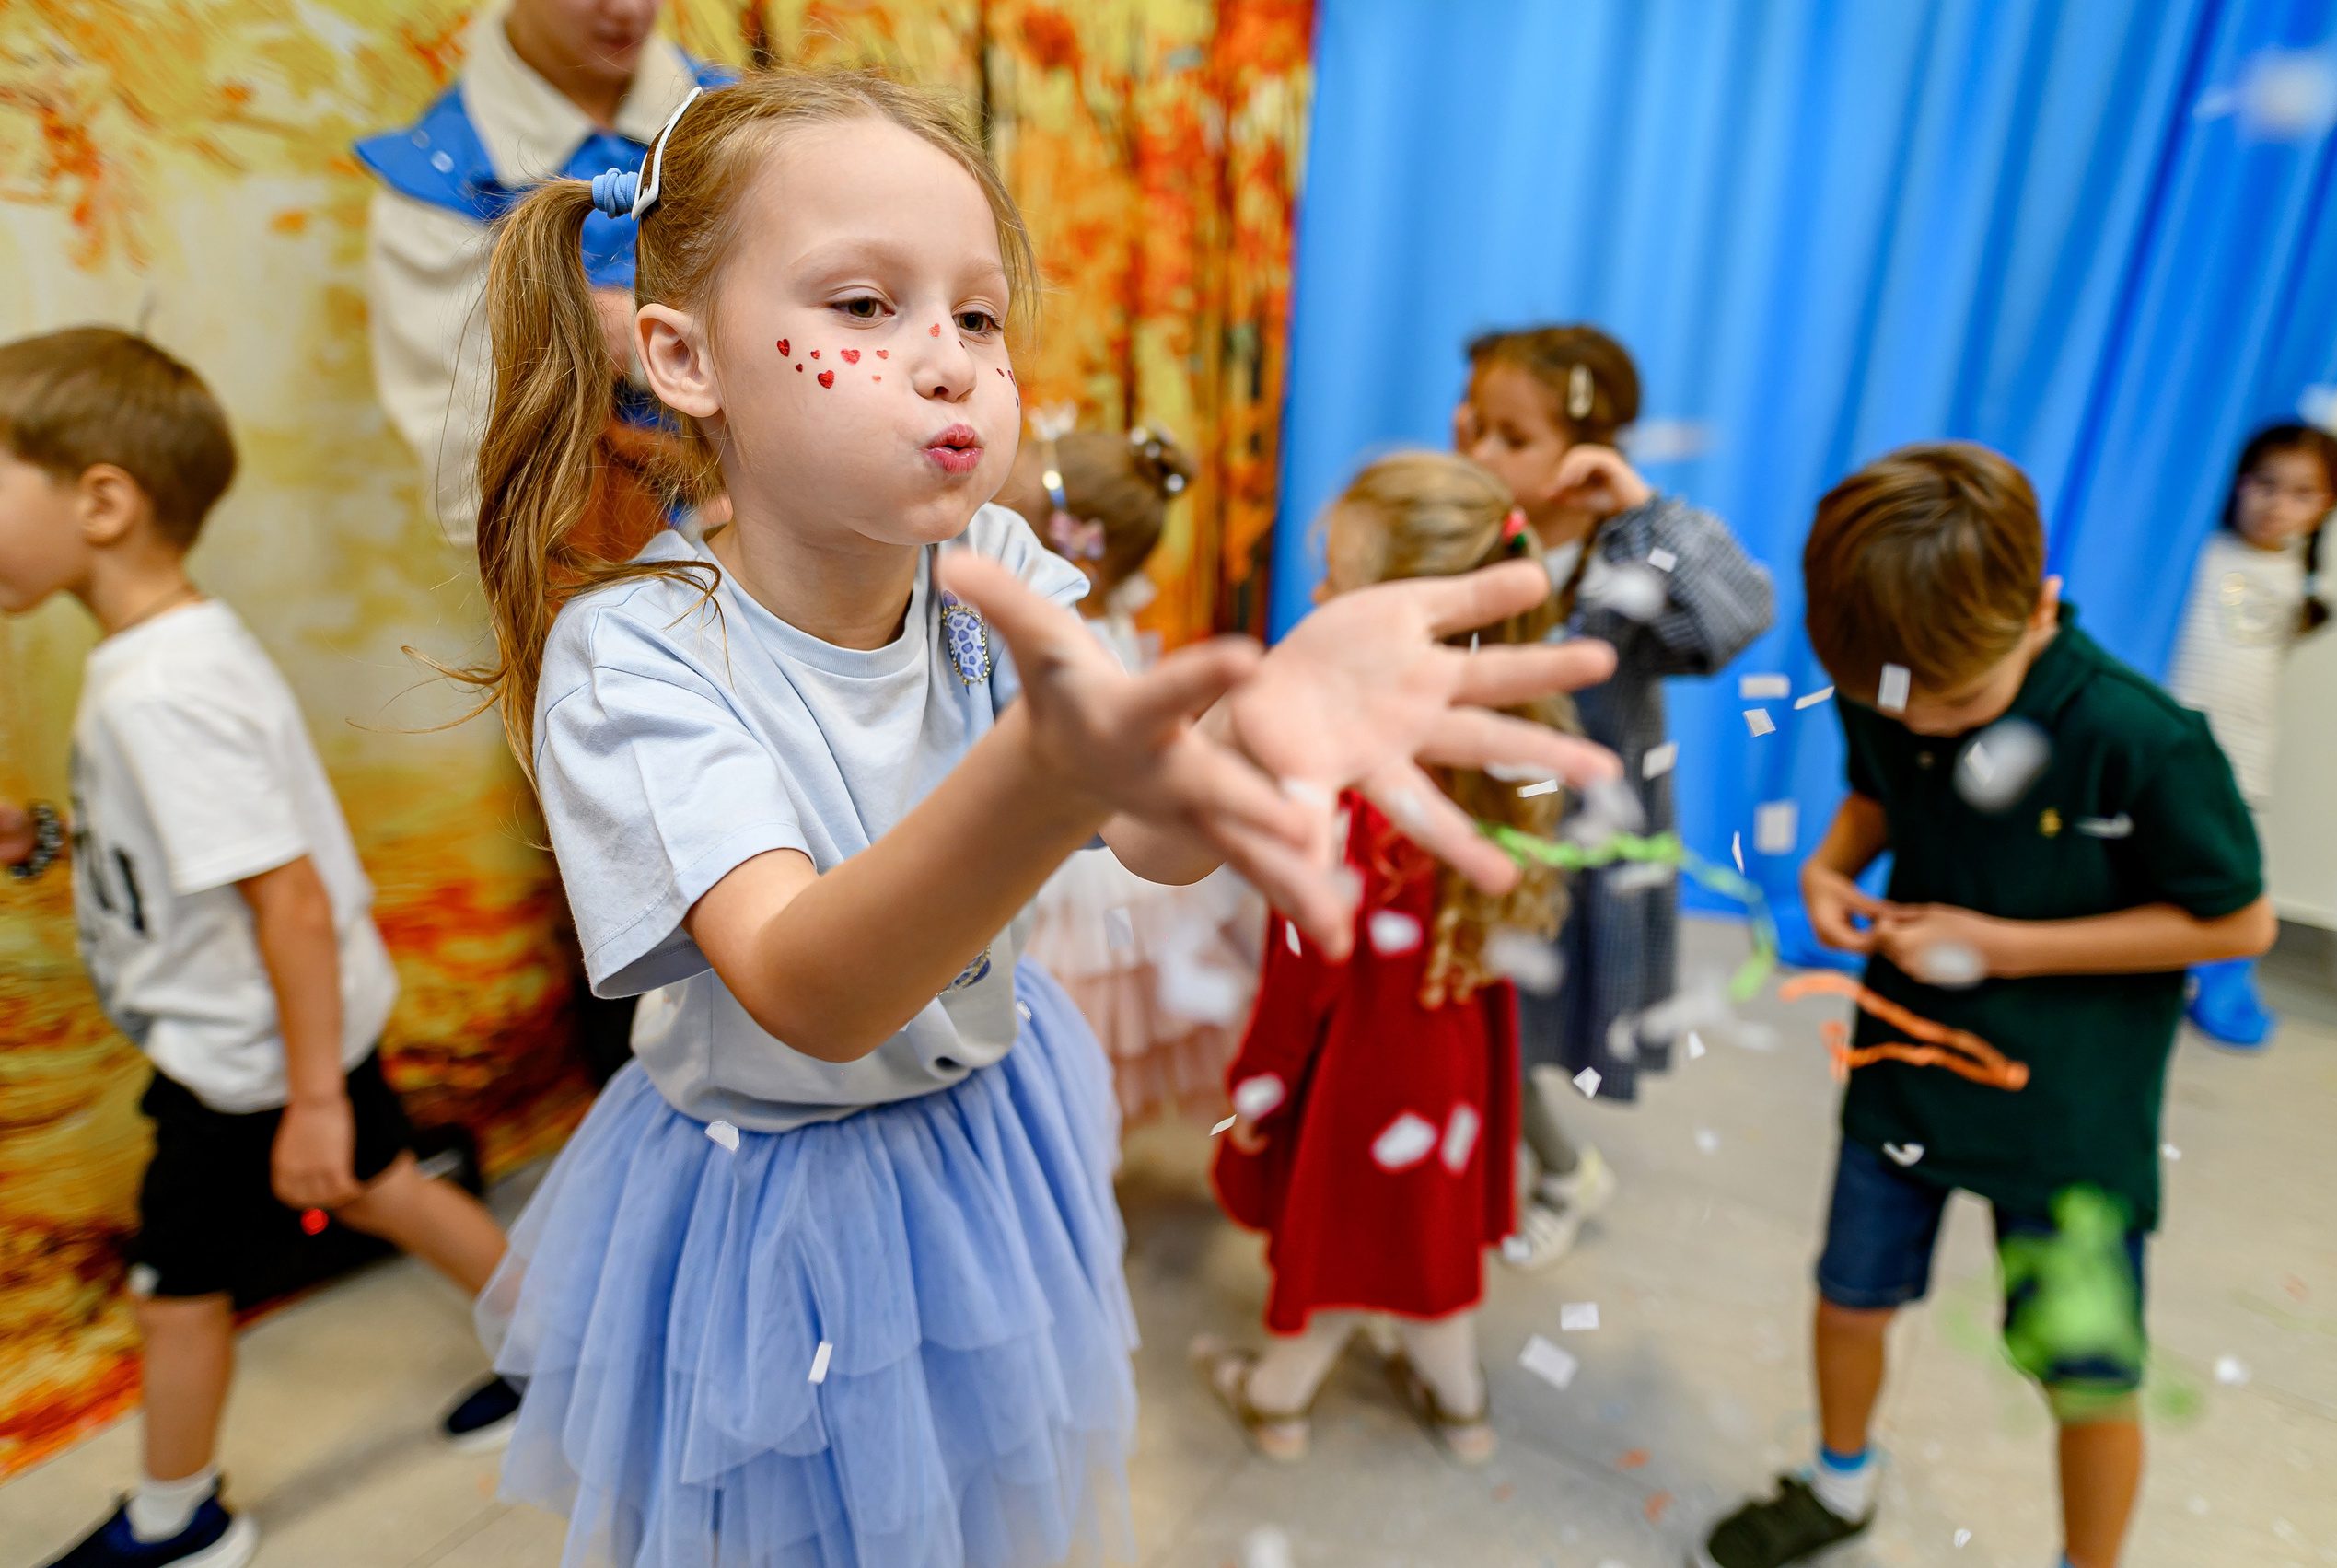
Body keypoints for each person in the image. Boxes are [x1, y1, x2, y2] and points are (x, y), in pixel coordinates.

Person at [455, 70, 1621, 1566]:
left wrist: (1252, 740)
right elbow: (813, 987)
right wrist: (1047, 779)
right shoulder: (639, 654)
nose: (946, 362)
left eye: (981, 318)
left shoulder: (994, 558)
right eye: (866, 304)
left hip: (991, 1134)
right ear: (684, 357)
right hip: (777, 1200)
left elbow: (1152, 836)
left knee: (981, 1501)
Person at [1695, 443, 2275, 1568]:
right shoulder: (1900, 677)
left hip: (2072, 1111)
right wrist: (1828, 867)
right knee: (1852, 1294)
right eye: (1892, 706)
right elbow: (1879, 791)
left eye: (1954, 702)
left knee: (2086, 1370)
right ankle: (1839, 1482)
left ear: (2037, 607)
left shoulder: (2141, 738)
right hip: (1906, 1066)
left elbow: (2239, 924)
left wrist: (2003, 945)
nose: (1922, 728)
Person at [0, 329, 519, 1568]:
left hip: (249, 1054)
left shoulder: (159, 690)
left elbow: (282, 896)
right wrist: (49, 838)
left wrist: (311, 1098)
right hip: (275, 1034)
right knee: (390, 1184)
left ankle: (181, 1519)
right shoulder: (166, 657)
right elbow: (197, 855)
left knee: (175, 1280)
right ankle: (566, 1355)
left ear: (104, 501)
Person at [1192, 452, 1570, 1468]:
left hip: (1359, 1065)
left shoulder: (1354, 795)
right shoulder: (1510, 752)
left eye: (1336, 583)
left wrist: (1258, 1084)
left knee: (1344, 1247)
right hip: (1456, 1060)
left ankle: (1274, 1397)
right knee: (1425, 1236)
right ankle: (1461, 1406)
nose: (1314, 597)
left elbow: (1301, 969)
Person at [1455, 324, 1773, 1268]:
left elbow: (1737, 615)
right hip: (1472, 823)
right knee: (1467, 1014)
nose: (1479, 454)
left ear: (1588, 452)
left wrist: (1642, 509)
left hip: (1569, 844)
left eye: (1511, 438)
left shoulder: (1623, 561)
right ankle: (1493, 1159)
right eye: (1471, 425)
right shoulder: (1466, 532)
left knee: (1516, 1024)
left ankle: (1558, 1171)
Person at [355, 0, 732, 548]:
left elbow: (839, 335)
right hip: (599, 578)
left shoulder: (741, 120)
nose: (628, 8)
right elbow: (476, 487)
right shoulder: (443, 186)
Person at [996, 419, 1265, 1126]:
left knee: (1072, 1015)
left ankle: (1075, 1133)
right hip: (1104, 843)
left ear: (1065, 536)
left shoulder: (1063, 636)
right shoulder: (1109, 617)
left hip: (1081, 858)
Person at [2165, 421, 2337, 1051]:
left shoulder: (2301, 579)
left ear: (2327, 505)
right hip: (2170, 743)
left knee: (2220, 868)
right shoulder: (2203, 549)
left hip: (2241, 756)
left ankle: (2211, 979)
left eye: (2302, 493)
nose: (2277, 505)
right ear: (2237, 482)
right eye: (2264, 484)